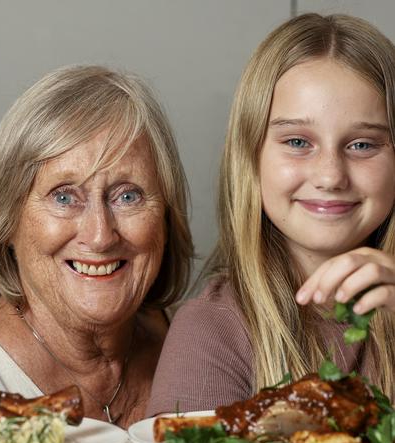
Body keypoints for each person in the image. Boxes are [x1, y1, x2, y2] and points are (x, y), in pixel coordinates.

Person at [0, 65, 193, 427]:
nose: (99, 235)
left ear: (166, 218)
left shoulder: (204, 350)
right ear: (7, 221)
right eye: (64, 197)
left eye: (128, 195)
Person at [147, 13, 395, 416]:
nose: (330, 175)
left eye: (363, 145)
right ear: (251, 157)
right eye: (298, 141)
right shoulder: (211, 330)